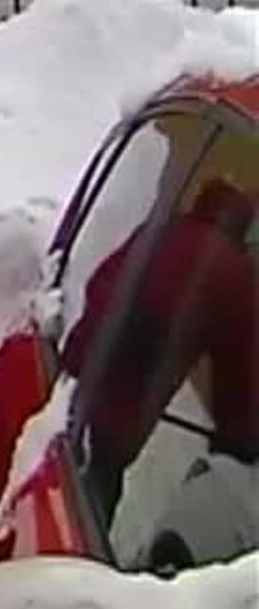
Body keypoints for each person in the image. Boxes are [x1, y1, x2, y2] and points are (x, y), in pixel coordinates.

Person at [61, 177, 258, 527]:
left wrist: (78, 351)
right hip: (137, 387)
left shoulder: (162, 229)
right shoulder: (234, 274)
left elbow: (102, 283)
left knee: (72, 459)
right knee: (99, 485)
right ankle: (81, 559)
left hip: (94, 364)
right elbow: (236, 366)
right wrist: (237, 435)